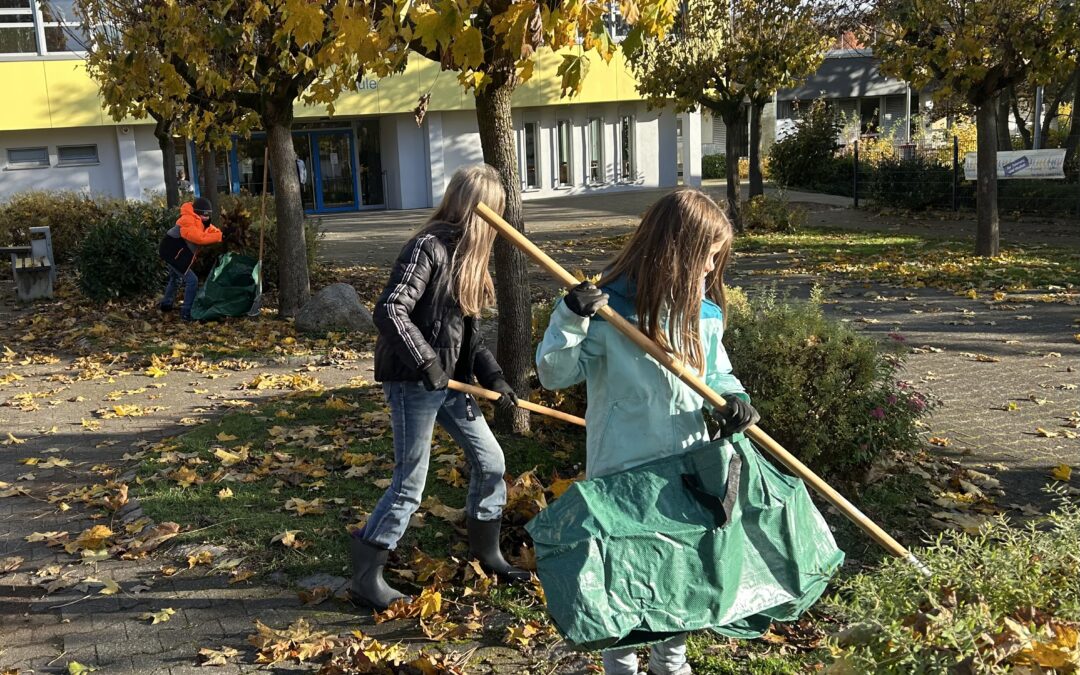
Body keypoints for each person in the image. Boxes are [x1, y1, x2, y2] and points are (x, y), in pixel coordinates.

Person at [535, 188, 760, 675]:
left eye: (714, 261)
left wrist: (735, 400)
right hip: (622, 463)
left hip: (684, 462)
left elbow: (715, 373)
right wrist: (570, 317)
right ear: (675, 252)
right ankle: (621, 665)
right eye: (705, 259)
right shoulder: (609, 312)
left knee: (678, 562)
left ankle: (670, 660)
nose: (708, 271)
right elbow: (554, 374)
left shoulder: (702, 313)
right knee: (624, 566)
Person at [350, 164, 529, 611]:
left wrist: (494, 378)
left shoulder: (469, 257)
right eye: (494, 214)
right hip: (415, 381)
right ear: (478, 211)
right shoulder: (427, 247)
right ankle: (366, 574)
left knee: (491, 461)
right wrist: (425, 361)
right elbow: (390, 310)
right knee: (410, 483)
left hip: (452, 382)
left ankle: (486, 552)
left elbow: (468, 335)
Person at [158, 196, 222, 321]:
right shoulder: (187, 220)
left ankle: (166, 305)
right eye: (205, 215)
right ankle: (186, 313)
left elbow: (210, 230)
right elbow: (200, 238)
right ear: (197, 213)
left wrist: (220, 233)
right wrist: (219, 237)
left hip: (176, 253)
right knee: (192, 281)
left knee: (175, 278)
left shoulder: (200, 221)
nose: (207, 218)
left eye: (208, 215)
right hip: (172, 254)